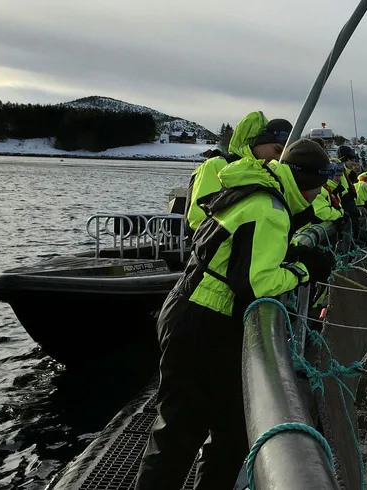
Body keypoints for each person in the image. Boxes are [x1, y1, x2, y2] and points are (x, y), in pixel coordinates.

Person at [135, 138, 336, 490]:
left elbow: (246, 253)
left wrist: (290, 256)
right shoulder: (269, 208)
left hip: (202, 316)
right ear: (306, 182)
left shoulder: (259, 192)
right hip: (202, 323)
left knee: (229, 432)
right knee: (180, 433)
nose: (316, 195)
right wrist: (305, 270)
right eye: (317, 186)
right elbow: (256, 283)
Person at [186, 111, 291, 232]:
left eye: (283, 155)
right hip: (219, 246)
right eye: (277, 150)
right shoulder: (217, 165)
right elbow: (197, 219)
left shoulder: (269, 175)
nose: (278, 158)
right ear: (258, 142)